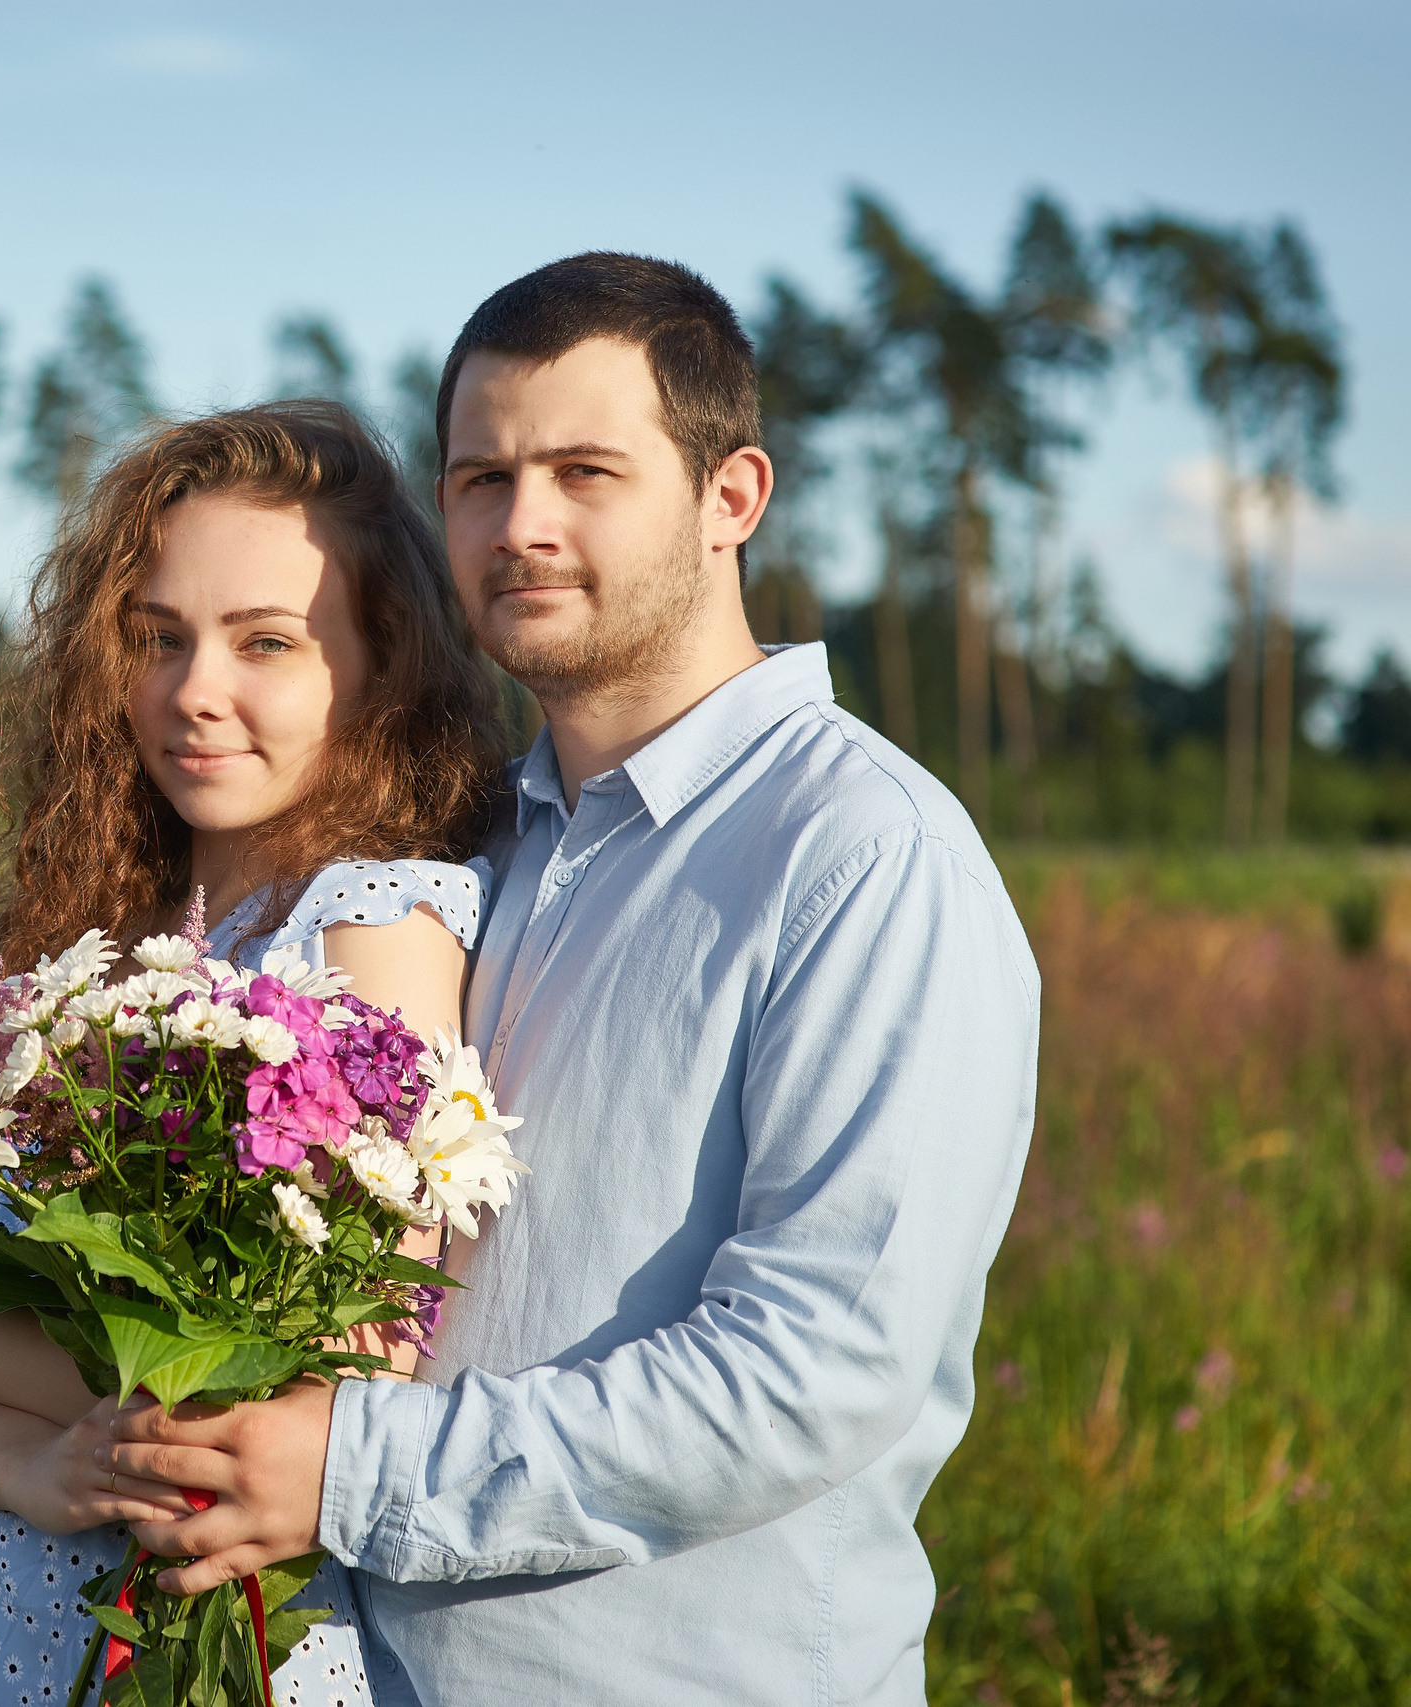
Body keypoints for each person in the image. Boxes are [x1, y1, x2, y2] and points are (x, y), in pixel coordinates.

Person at [99, 254, 1042, 1705]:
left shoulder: (861, 854)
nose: (522, 525)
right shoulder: (472, 848)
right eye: (481, 479)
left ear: (733, 497)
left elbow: (818, 1364)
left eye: (585, 472)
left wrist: (355, 1469)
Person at [0, 401, 510, 1706]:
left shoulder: (369, 926)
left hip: (192, 1644)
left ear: (379, 666)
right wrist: (30, 1466)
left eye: (268, 643)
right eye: (159, 637)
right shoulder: (81, 941)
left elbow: (339, 1364)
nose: (196, 691)